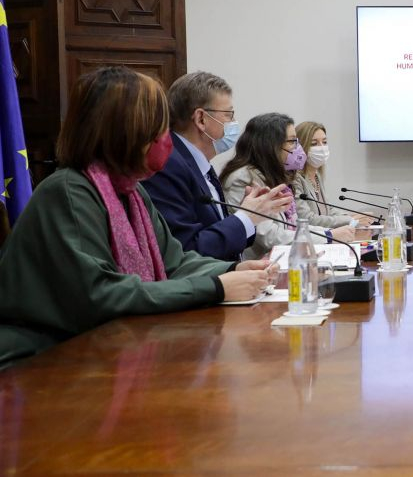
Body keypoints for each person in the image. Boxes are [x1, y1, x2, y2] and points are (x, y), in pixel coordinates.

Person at [0, 67, 273, 366]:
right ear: (123, 131)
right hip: (39, 359)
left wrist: (234, 268)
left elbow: (174, 262)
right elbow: (101, 295)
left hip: (98, 347)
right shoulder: (68, 192)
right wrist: (216, 287)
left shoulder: (131, 190)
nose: (165, 139)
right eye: (156, 127)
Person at [141, 72, 292, 261]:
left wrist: (250, 213)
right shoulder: (168, 165)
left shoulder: (199, 163)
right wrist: (245, 217)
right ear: (201, 119)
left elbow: (215, 234)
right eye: (229, 115)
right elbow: (186, 251)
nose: (234, 123)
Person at [219, 113, 354, 260]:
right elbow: (269, 236)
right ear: (271, 145)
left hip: (280, 260)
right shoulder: (243, 179)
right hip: (256, 265)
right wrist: (328, 236)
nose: (298, 148)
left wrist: (328, 233)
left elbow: (293, 225)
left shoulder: (272, 175)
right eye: (292, 141)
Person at [293, 121, 372, 229]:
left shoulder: (316, 175)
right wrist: (350, 220)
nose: (321, 148)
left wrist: (352, 216)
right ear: (300, 147)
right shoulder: (295, 179)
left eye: (324, 142)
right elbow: (307, 219)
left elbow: (328, 211)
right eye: (314, 144)